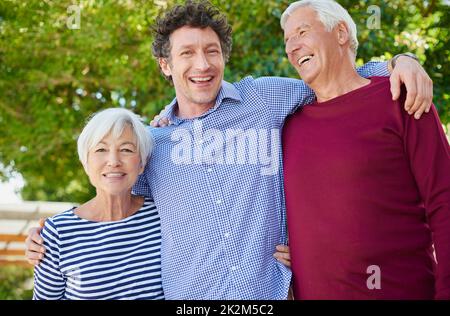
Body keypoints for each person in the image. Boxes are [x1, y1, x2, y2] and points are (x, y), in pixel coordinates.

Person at [26, 0, 434, 300]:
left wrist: (400, 62)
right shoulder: (155, 144)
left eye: (211, 51)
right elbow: (113, 197)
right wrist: (48, 235)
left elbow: (335, 75)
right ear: (165, 65)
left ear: (224, 57)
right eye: (186, 53)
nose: (201, 65)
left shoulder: (267, 98)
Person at [279, 0, 450, 299]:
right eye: (287, 40)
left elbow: (444, 201)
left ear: (341, 33)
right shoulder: (288, 126)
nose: (292, 47)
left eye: (302, 32)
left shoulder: (400, 99)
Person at [33, 108, 164, 300]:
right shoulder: (58, 232)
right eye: (101, 149)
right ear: (85, 162)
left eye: (126, 149)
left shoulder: (162, 214)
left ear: (142, 163)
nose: (113, 161)